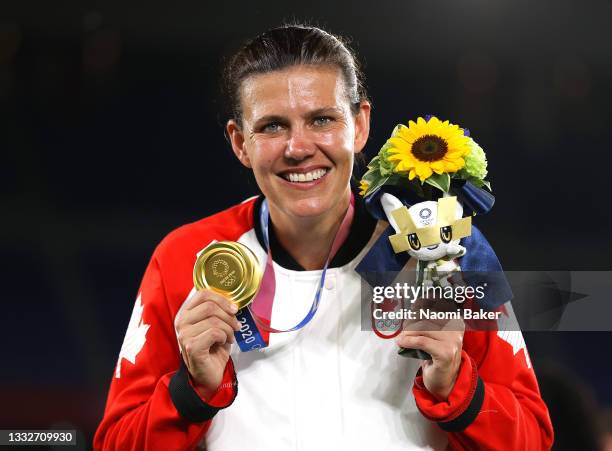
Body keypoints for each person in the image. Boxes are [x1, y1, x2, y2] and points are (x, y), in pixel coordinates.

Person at [94, 24, 554, 450]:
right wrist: (191, 391)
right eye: (272, 126)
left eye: (322, 120)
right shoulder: (186, 258)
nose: (298, 148)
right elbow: (115, 441)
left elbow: (533, 439)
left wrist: (459, 386)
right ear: (240, 143)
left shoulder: (446, 251)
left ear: (360, 125)